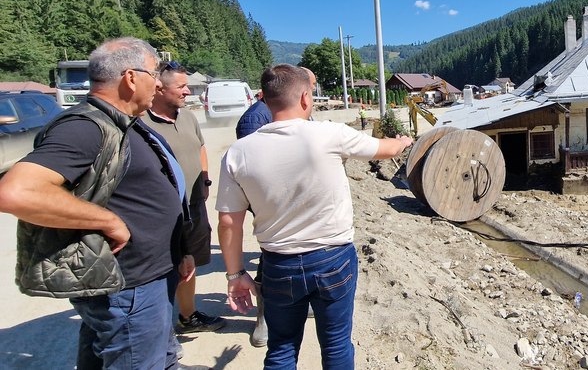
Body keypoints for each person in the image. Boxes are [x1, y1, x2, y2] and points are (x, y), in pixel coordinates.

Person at [0, 37, 186, 369]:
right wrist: (107, 221)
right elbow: (16, 192)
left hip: (138, 280)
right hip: (126, 286)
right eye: (154, 72)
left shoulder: (120, 121)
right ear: (131, 78)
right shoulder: (85, 126)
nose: (159, 82)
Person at [217, 64, 413, 368]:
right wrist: (402, 142)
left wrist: (235, 275)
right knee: (335, 345)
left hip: (278, 264)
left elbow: (229, 221)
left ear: (264, 100)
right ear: (306, 98)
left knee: (281, 347)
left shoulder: (238, 153)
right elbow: (383, 150)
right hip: (332, 260)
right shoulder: (329, 134)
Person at [233, 67, 316, 348]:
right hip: (278, 206)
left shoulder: (296, 115)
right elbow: (258, 167)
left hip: (301, 204)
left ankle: (299, 301)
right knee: (271, 258)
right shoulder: (255, 119)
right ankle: (264, 319)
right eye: (311, 88)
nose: (312, 95)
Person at [141, 60, 226, 334]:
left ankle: (187, 317)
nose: (188, 91)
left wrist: (204, 179)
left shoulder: (187, 116)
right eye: (181, 86)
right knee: (164, 264)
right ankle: (157, 327)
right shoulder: (140, 122)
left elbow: (200, 146)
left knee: (190, 261)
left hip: (193, 204)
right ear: (159, 89)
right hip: (162, 211)